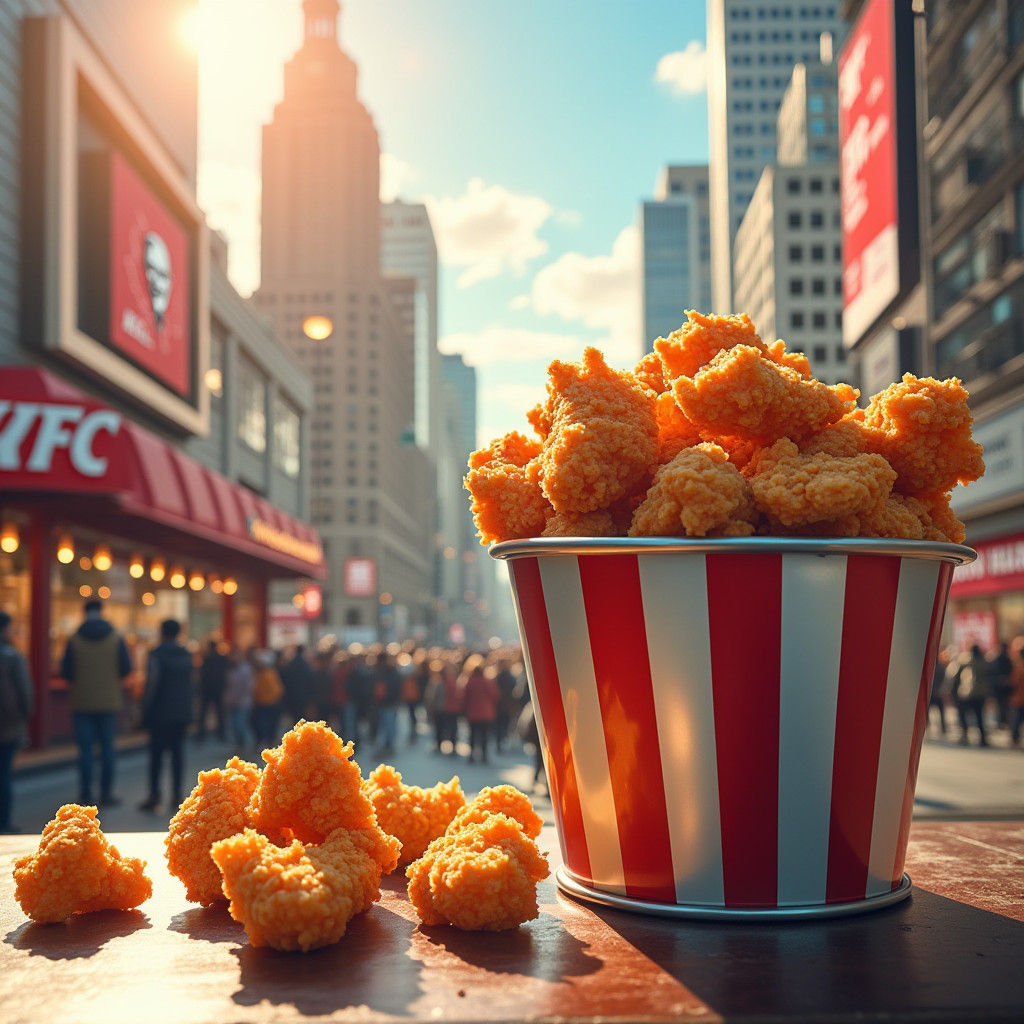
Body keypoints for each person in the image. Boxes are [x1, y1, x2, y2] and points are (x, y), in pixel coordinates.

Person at [60, 598, 132, 806]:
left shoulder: (74, 639)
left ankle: (85, 793)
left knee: (85, 751)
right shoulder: (115, 638)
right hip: (109, 701)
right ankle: (106, 793)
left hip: (82, 701)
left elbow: (66, 672)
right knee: (107, 748)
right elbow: (126, 669)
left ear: (84, 612)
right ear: (102, 611)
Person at [138, 619, 194, 813]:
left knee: (156, 756)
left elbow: (151, 685)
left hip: (159, 713)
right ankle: (177, 795)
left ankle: (154, 796)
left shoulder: (156, 654)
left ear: (162, 632)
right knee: (178, 755)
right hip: (181, 713)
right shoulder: (187, 655)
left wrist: (144, 709)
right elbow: (190, 685)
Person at [0, 611, 33, 833]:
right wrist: (26, 717)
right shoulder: (12, 656)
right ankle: (4, 822)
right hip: (8, 725)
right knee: (4, 773)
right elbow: (24, 691)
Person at [461, 655, 499, 765]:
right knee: (484, 736)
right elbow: (495, 695)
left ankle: (472, 755)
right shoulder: (487, 682)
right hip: (486, 713)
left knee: (472, 735)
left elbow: (464, 697)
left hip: (472, 713)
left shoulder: (469, 682)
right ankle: (484, 755)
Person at [953, 643, 991, 747]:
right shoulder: (984, 661)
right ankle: (982, 739)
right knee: (979, 716)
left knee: (963, 715)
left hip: (967, 692)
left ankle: (965, 736)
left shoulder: (966, 660)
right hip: (981, 693)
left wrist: (954, 689)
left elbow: (955, 675)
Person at [223, 646, 255, 754]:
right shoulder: (232, 669)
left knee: (240, 724)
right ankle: (240, 745)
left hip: (243, 702)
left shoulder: (245, 669)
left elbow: (247, 687)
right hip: (233, 701)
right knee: (235, 725)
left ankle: (246, 745)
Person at [196, 640, 229, 742]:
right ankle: (221, 733)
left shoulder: (206, 658)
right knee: (220, 712)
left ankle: (201, 733)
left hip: (207, 689)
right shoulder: (222, 659)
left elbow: (202, 674)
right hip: (218, 688)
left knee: (204, 712)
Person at [372, 651, 402, 758]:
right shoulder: (384, 672)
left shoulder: (390, 673)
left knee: (389, 727)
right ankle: (385, 746)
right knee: (386, 727)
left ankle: (388, 746)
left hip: (388, 704)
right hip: (384, 704)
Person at [252, 650, 284, 748]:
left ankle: (267, 741)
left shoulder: (267, 674)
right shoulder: (268, 673)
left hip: (267, 703)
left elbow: (277, 689)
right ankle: (268, 740)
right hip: (266, 703)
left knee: (266, 724)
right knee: (267, 724)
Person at [280, 645, 314, 727]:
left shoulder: (290, 664)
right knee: (302, 719)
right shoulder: (306, 665)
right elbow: (310, 682)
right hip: (303, 697)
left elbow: (286, 681)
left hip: (292, 696)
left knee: (294, 719)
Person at [989, 641, 1014, 729]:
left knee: (1000, 705)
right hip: (1005, 686)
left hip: (999, 686)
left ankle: (1001, 721)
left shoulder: (996, 659)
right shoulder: (1008, 659)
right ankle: (1004, 721)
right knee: (1005, 705)